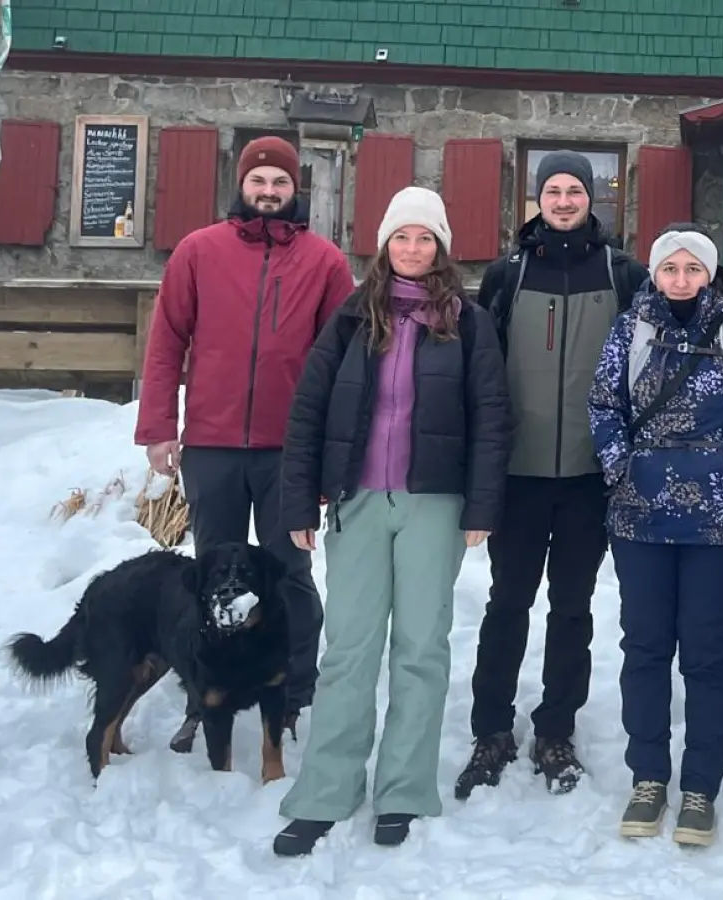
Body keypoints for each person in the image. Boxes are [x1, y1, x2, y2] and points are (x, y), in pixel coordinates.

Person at [271, 187, 510, 856]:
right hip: (357, 503)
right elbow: (308, 412)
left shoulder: (469, 322)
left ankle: (403, 788)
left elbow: (491, 419)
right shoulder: (351, 317)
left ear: (440, 247)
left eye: (423, 238)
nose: (411, 249)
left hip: (434, 505)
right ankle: (326, 791)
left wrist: (482, 506)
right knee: (348, 648)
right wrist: (299, 501)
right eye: (400, 237)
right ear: (384, 245)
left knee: (420, 647)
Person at [135, 135, 354, 753]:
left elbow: (340, 366)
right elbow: (166, 342)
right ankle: (208, 692)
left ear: (295, 188)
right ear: (242, 184)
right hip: (212, 443)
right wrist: (158, 426)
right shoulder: (198, 252)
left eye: (279, 183)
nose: (268, 191)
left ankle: (291, 690)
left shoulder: (325, 262)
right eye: (258, 180)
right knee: (215, 577)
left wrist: (329, 455)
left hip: (289, 448)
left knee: (288, 573)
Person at [460, 150, 649, 799]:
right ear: (536, 200)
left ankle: (555, 730)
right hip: (518, 473)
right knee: (507, 604)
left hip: (588, 477)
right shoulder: (506, 275)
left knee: (572, 609)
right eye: (553, 191)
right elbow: (479, 373)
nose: (564, 201)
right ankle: (490, 727)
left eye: (575, 190)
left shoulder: (622, 273)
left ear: (592, 199)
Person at [588, 225, 723, 846]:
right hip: (639, 509)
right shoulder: (631, 326)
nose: (680, 279)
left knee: (707, 648)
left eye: (691, 269)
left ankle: (700, 785)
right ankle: (648, 775)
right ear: (655, 273)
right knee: (645, 645)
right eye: (669, 268)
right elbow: (603, 402)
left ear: (709, 273)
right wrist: (620, 464)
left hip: (716, 512)